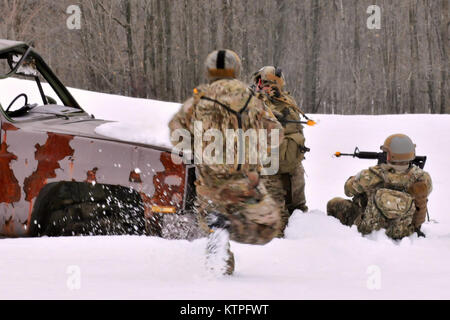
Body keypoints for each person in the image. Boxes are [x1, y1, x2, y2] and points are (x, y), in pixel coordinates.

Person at [169, 50, 283, 276]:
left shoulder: (198, 100)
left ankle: (220, 263)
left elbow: (177, 135)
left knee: (213, 226)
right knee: (268, 227)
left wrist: (199, 148)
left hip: (210, 183)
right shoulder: (253, 101)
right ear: (237, 70)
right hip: (245, 181)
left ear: (209, 71)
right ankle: (227, 226)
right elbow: (276, 134)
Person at [327, 134, 432, 239]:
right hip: (405, 230)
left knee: (334, 203)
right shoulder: (423, 177)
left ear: (389, 155)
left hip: (369, 228)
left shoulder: (372, 174)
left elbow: (348, 190)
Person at [251, 66, 309, 236]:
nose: (260, 86)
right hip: (273, 168)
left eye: (263, 83)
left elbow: (293, 122)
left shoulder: (287, 101)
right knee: (278, 220)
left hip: (289, 168)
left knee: (297, 214)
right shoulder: (254, 100)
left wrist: (276, 100)